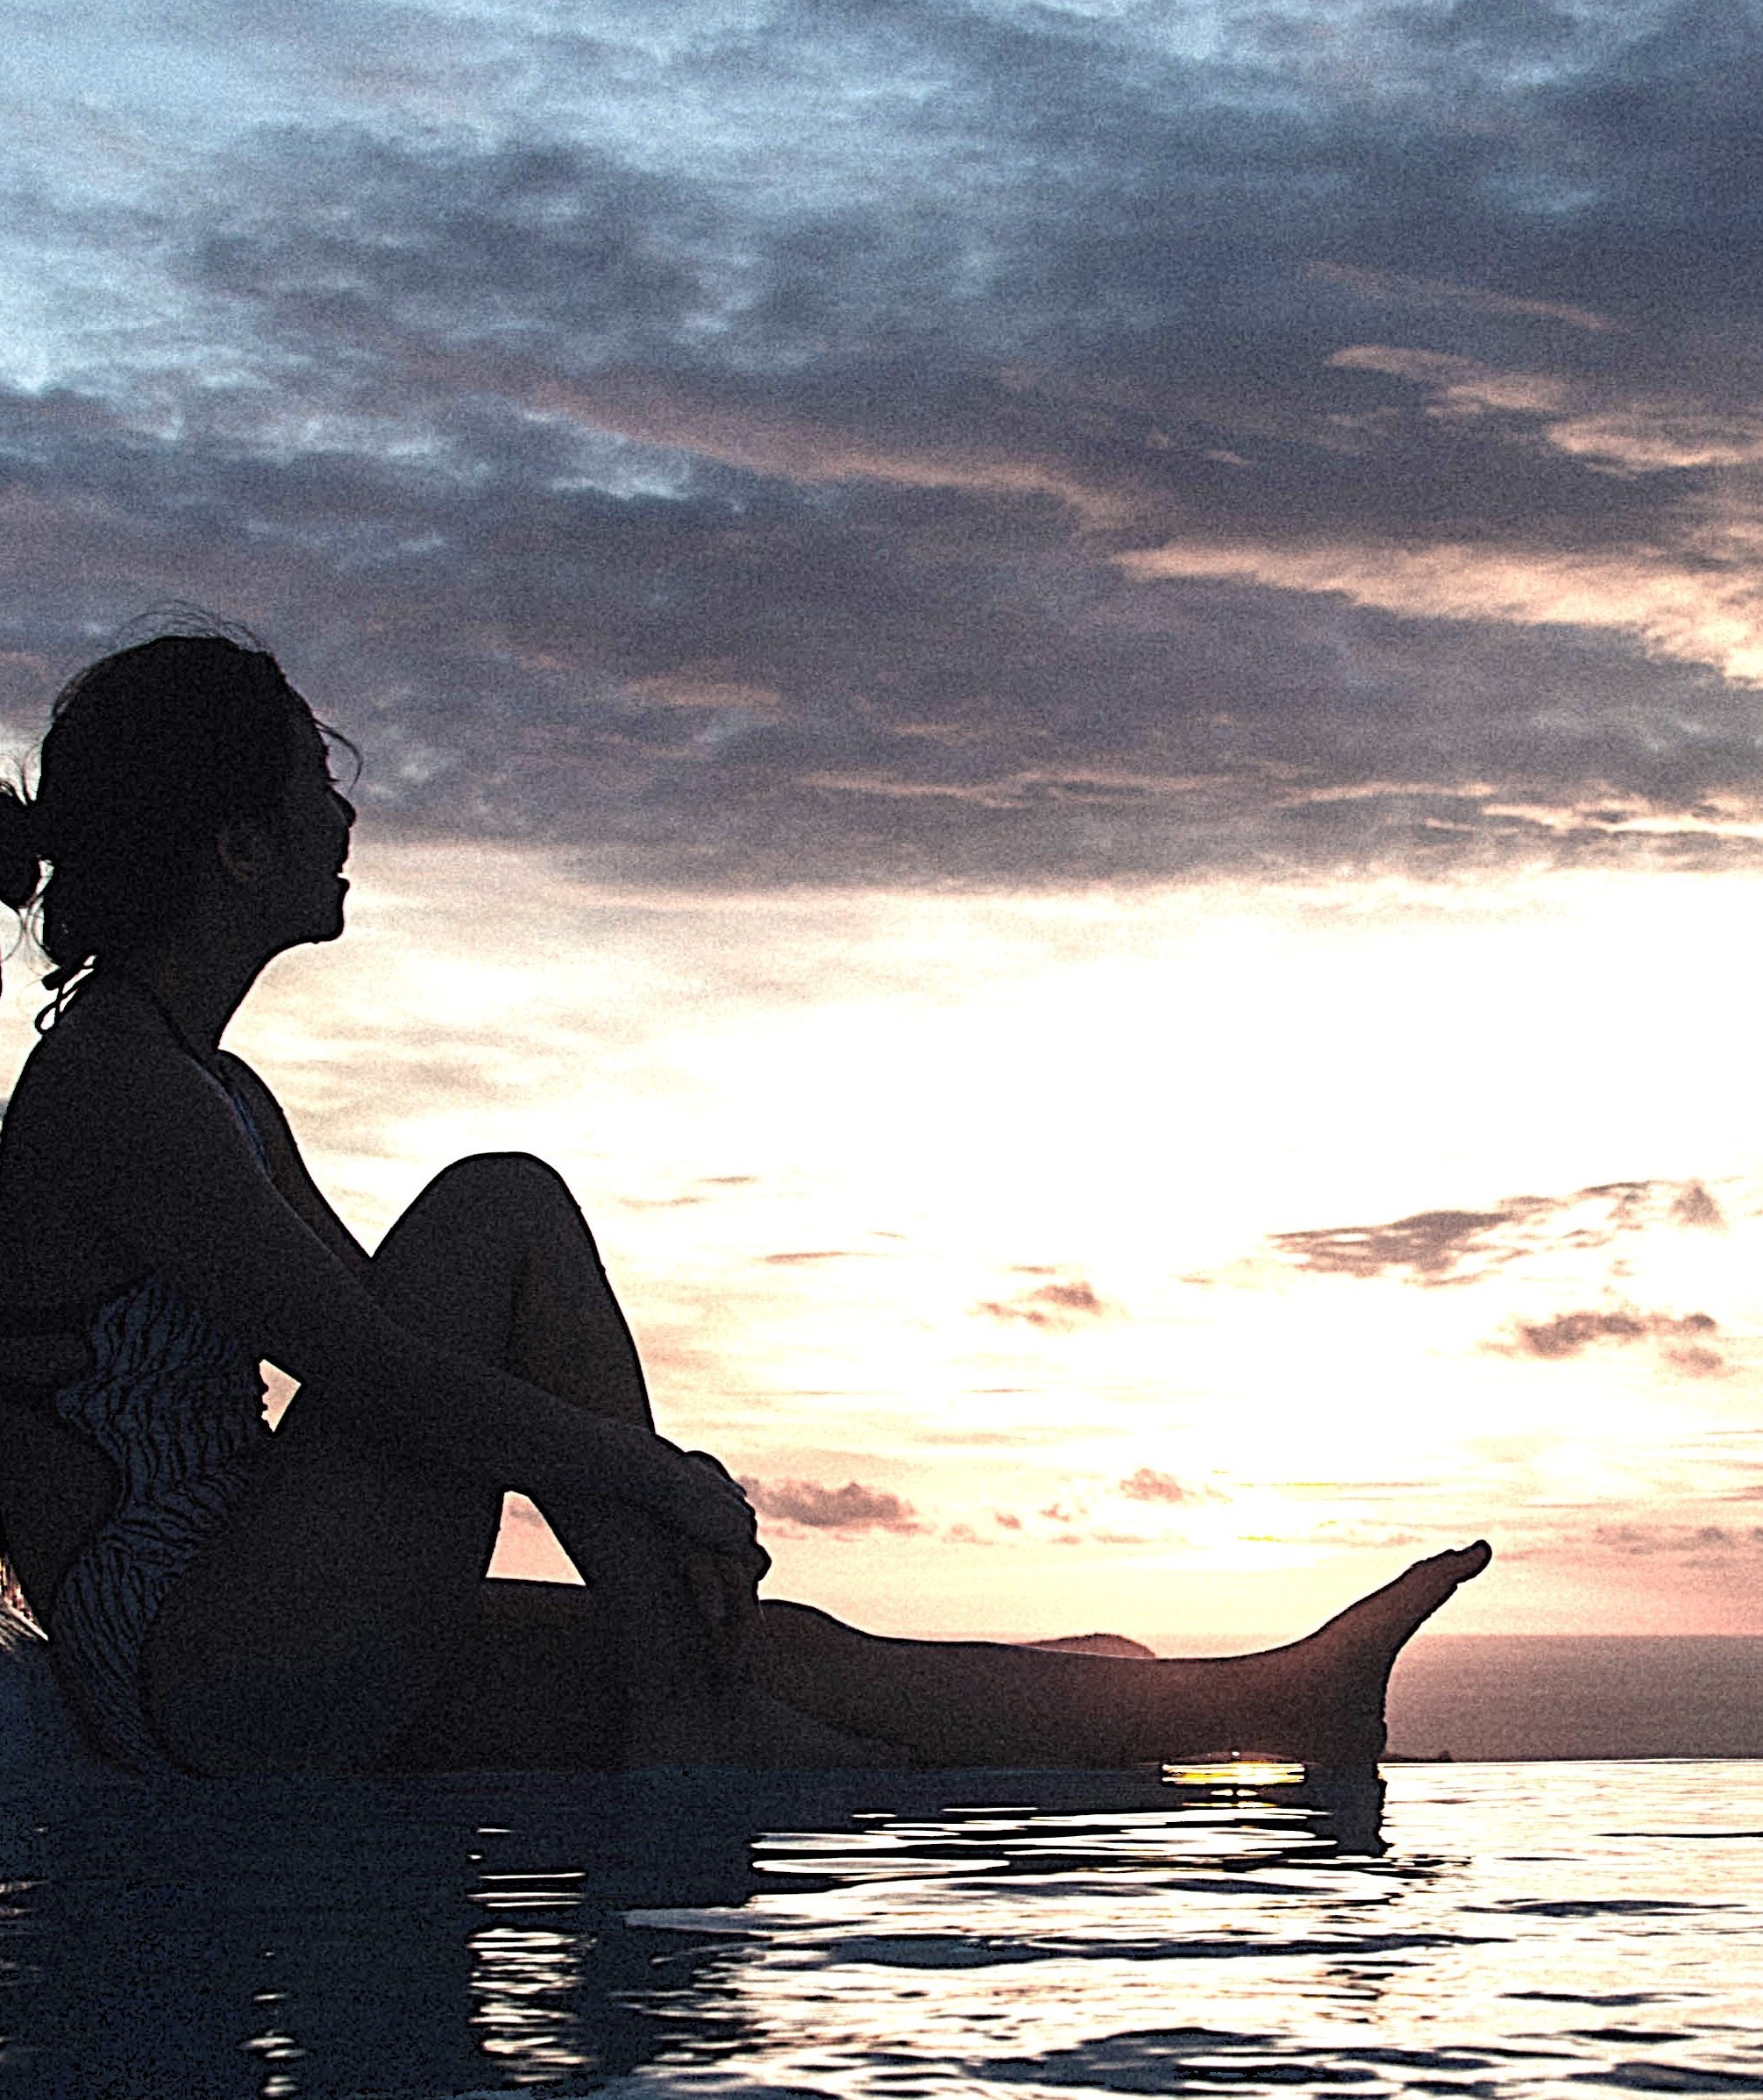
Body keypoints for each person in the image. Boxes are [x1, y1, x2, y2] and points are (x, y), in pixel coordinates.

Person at [0, 630, 1490, 1779]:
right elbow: (387, 1380)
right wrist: (656, 1482)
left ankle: (1269, 1701)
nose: (343, 812)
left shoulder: (211, 1087)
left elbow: (409, 1360)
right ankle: (688, 1719)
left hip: (266, 1616)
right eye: (313, 783)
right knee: (503, 1205)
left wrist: (660, 1524)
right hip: (194, 1664)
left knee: (782, 1657)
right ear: (235, 847)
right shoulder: (114, 1088)